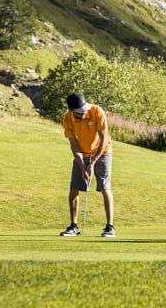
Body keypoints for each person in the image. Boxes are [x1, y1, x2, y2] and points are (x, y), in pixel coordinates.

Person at [59, 92, 115, 237]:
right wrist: (84, 166)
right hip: (82, 153)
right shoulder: (67, 119)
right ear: (71, 111)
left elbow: (103, 139)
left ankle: (110, 227)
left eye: (84, 110)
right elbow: (74, 146)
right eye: (79, 112)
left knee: (104, 187)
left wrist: (93, 163)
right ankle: (73, 227)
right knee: (73, 190)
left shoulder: (97, 112)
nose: (83, 114)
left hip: (102, 152)